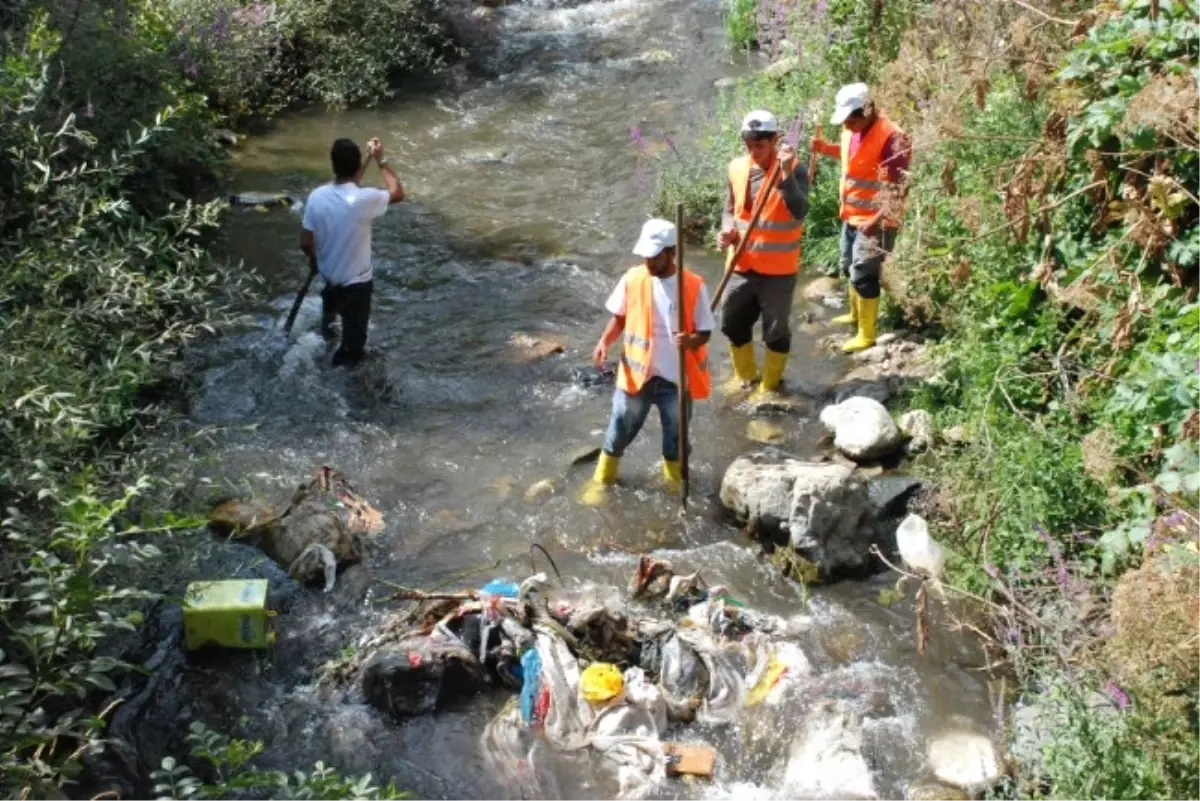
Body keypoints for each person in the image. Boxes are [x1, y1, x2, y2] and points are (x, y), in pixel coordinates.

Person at [581, 219, 715, 506]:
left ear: (671, 252)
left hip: (676, 380)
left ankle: (674, 488)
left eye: (654, 256)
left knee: (675, 442)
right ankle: (602, 482)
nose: (649, 262)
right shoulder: (633, 278)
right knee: (617, 432)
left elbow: (704, 332)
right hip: (637, 375)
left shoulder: (692, 285)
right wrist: (604, 341)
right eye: (646, 256)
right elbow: (619, 316)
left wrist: (690, 341)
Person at [811, 83, 911, 353]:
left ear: (868, 110)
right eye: (845, 120)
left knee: (864, 274)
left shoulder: (893, 138)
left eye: (852, 119)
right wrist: (823, 148)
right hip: (852, 216)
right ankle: (855, 316)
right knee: (848, 266)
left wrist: (875, 220)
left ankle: (867, 334)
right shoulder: (851, 129)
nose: (847, 125)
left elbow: (899, 188)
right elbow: (851, 156)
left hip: (876, 221)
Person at [717, 109, 810, 397]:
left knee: (775, 332)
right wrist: (727, 230)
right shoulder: (736, 167)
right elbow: (730, 209)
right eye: (749, 145)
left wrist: (784, 175)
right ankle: (745, 377)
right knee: (731, 324)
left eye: (760, 145)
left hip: (778, 271)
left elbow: (800, 210)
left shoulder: (795, 170)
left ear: (775, 141)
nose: (754, 151)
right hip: (741, 264)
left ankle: (769, 386)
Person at [300, 136, 405, 366]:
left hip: (330, 283)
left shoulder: (317, 197)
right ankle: (342, 389)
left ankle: (322, 362)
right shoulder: (363, 199)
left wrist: (313, 260)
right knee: (353, 352)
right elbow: (397, 192)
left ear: (333, 165)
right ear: (357, 167)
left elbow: (306, 242)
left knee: (329, 334)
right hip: (356, 287)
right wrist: (380, 159)